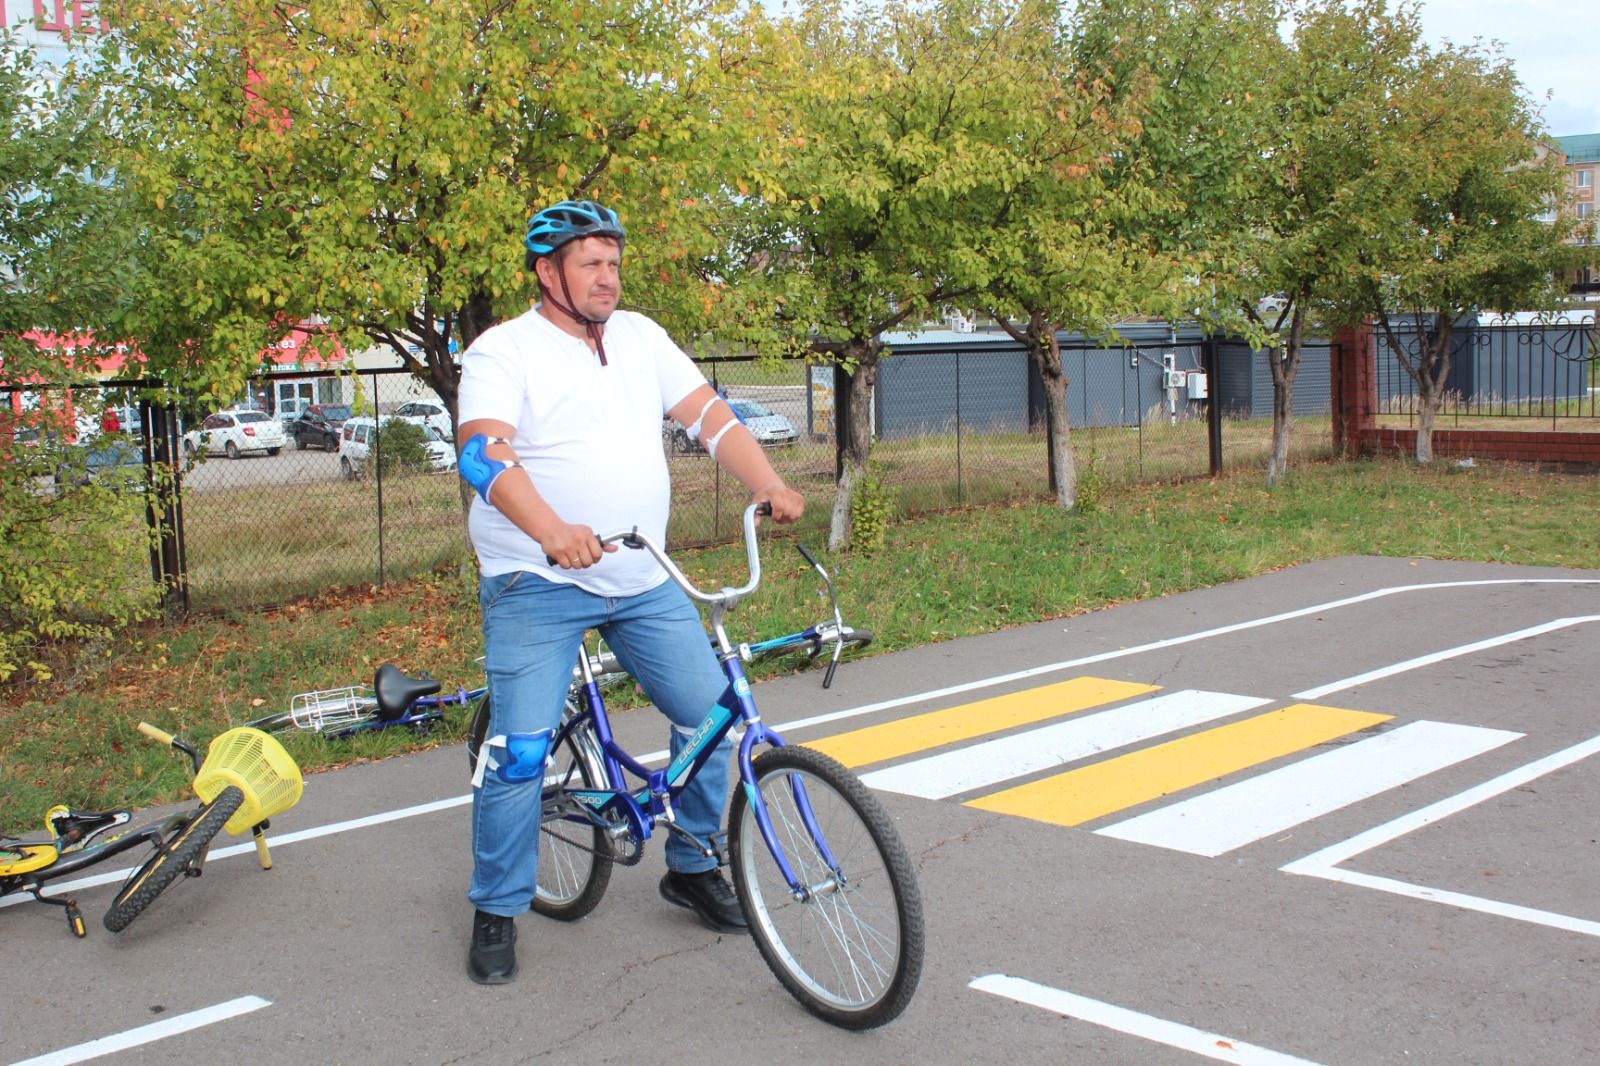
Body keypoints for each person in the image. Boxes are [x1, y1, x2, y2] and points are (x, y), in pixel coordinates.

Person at [455, 199, 804, 985]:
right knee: (520, 753)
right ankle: (498, 907)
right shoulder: (503, 351)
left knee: (711, 717)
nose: (608, 277)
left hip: (642, 576)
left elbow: (710, 417)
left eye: (613, 263)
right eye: (590, 264)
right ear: (548, 274)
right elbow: (481, 453)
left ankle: (691, 863)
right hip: (536, 581)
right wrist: (548, 528)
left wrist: (769, 481)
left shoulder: (642, 337)